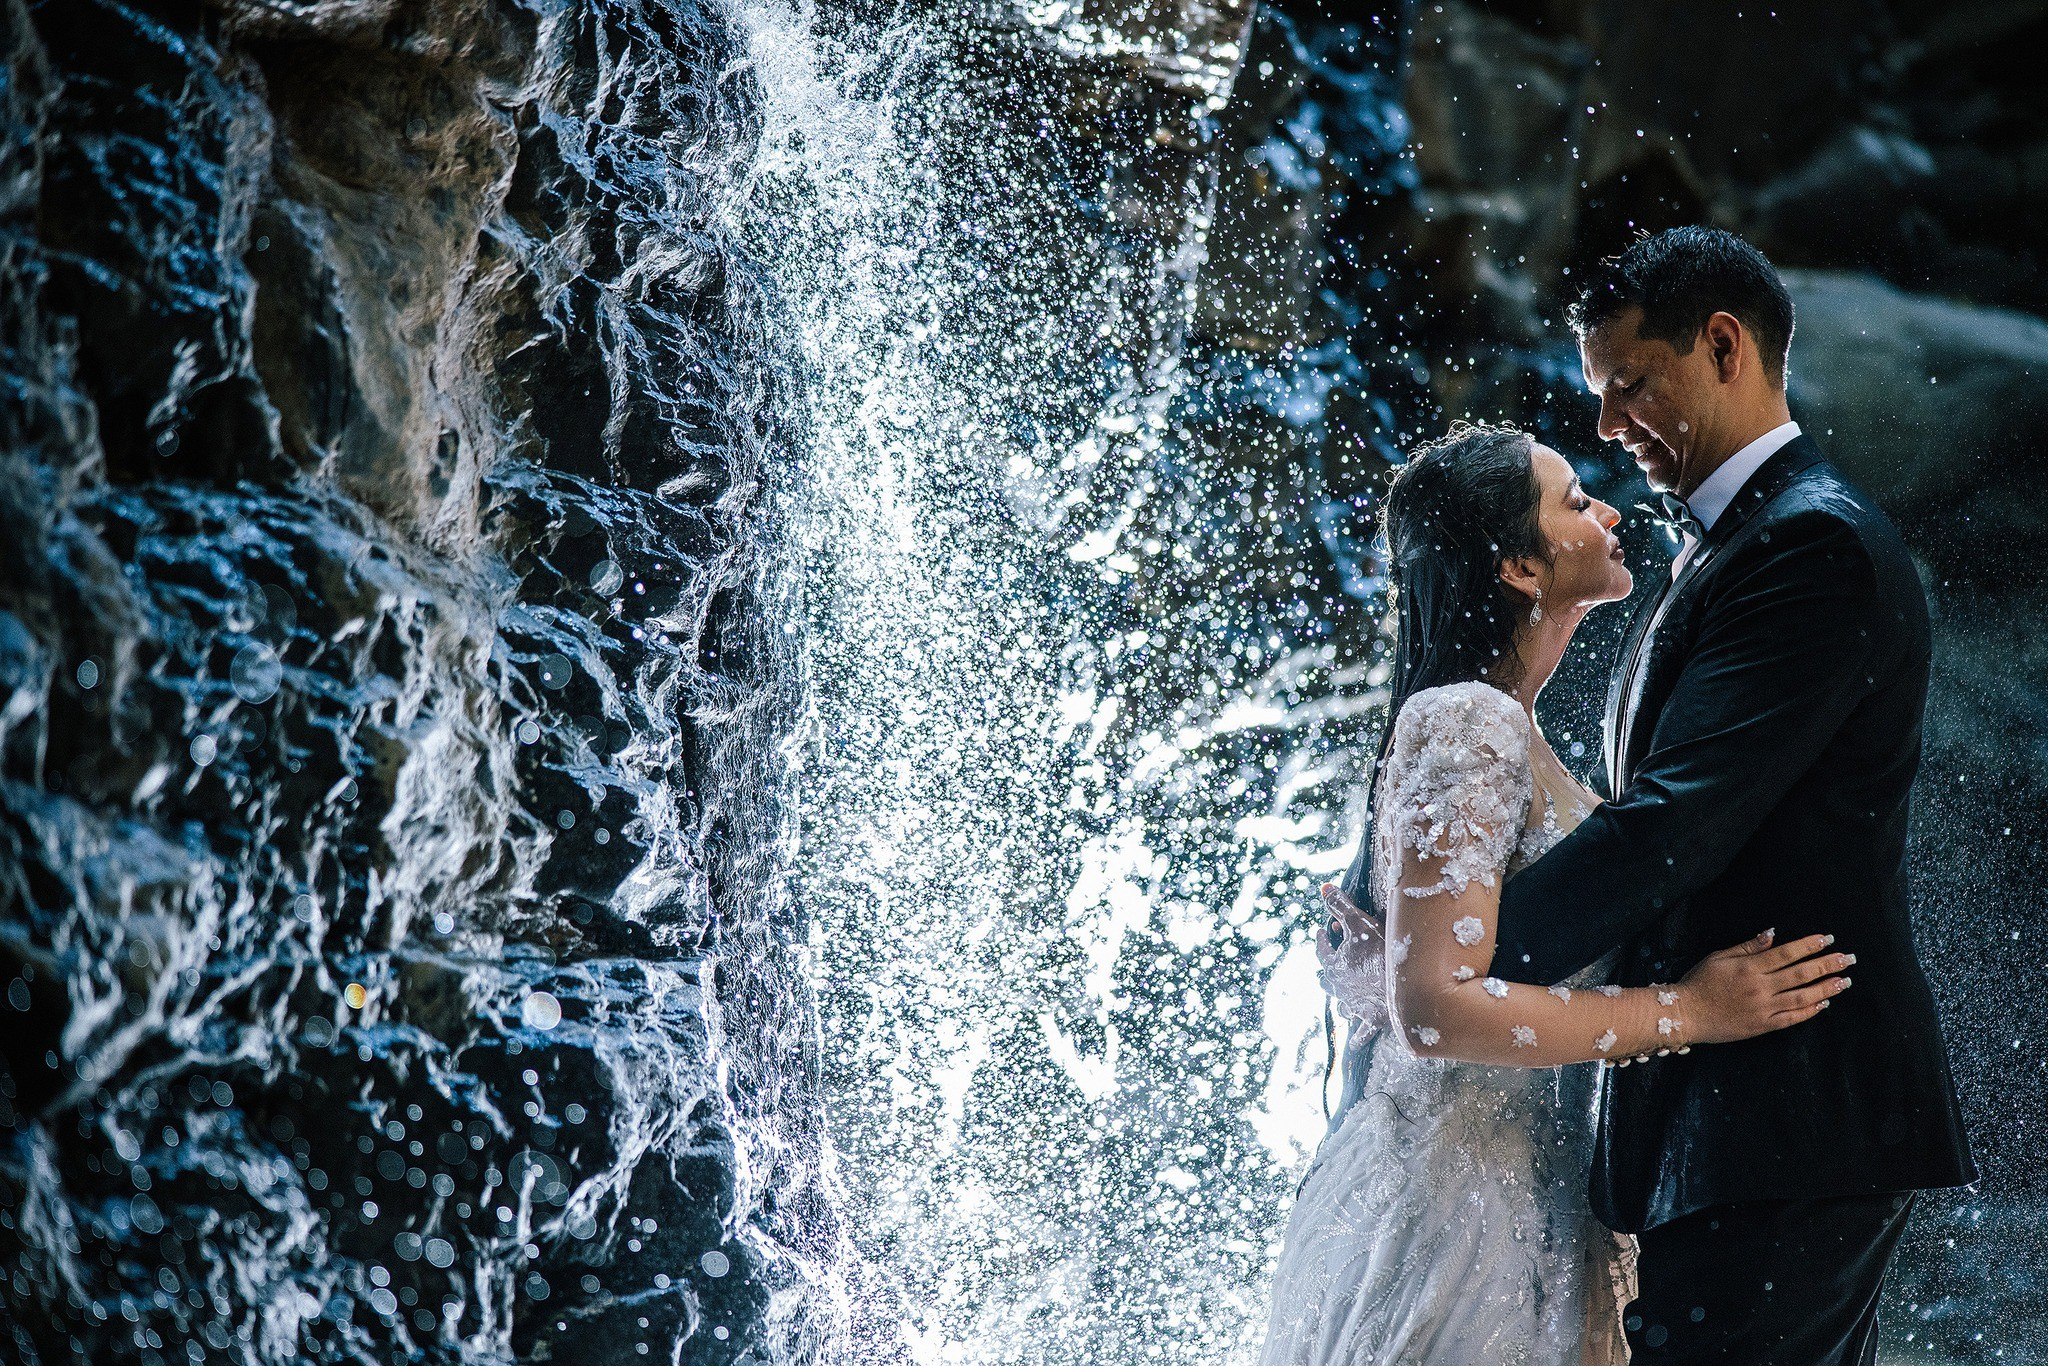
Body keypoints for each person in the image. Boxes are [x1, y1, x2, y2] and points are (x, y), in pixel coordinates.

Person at [1259, 419, 1853, 1365]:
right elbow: (1438, 1013)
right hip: (1459, 1210)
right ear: (1520, 570)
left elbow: (1433, 982)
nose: (1609, 509)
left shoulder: (1512, 731)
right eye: (1575, 501)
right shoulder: (1470, 718)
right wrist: (1690, 1011)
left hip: (1528, 1184)